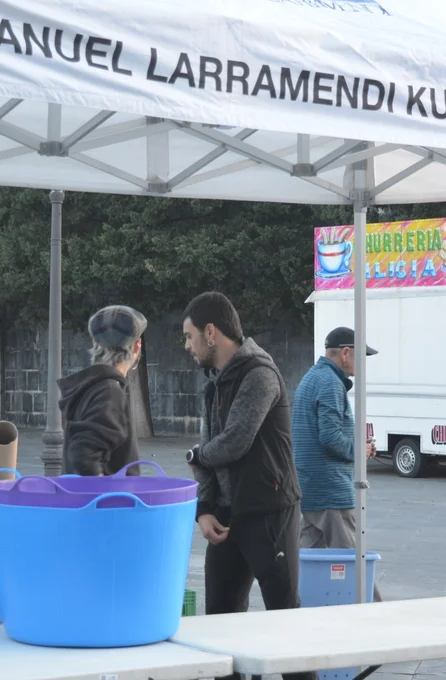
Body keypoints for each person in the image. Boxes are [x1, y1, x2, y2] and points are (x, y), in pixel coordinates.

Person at [182, 291, 316, 680]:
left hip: (270, 513)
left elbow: (234, 442)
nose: (187, 346)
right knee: (221, 629)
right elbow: (208, 450)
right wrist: (204, 509)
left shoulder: (260, 374)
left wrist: (197, 455)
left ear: (211, 332)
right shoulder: (214, 384)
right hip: (227, 518)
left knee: (285, 625)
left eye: (189, 336)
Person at [291, 326, 383, 601]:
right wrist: (359, 450)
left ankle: (295, 608)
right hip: (331, 492)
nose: (362, 364)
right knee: (356, 560)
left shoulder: (312, 378)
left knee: (304, 563)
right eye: (360, 356)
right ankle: (378, 613)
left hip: (310, 487)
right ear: (345, 353)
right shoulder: (330, 383)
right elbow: (330, 437)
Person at [58, 305, 147, 477]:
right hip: (110, 495)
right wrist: (103, 491)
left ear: (94, 343)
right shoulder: (110, 392)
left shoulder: (91, 387)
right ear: (137, 346)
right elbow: (84, 455)